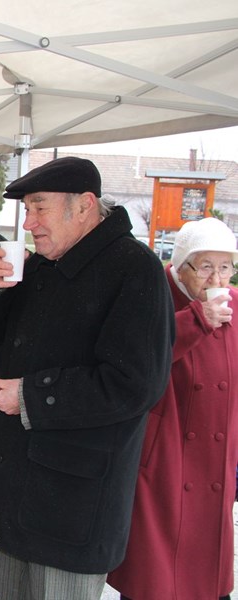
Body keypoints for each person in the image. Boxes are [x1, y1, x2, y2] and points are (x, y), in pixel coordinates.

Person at [0, 156, 175, 600]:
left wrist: (29, 396)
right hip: (22, 490)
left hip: (73, 506)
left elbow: (136, 384)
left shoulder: (134, 269)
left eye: (39, 207)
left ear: (83, 205)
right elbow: (1, 336)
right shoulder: (46, 263)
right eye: (27, 209)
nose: (30, 223)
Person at [107, 217, 238, 600]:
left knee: (206, 574)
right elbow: (138, 358)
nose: (217, 278)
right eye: (206, 266)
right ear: (180, 266)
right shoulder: (155, 296)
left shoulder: (233, 304)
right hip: (163, 464)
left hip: (216, 462)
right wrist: (197, 321)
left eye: (226, 266)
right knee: (156, 579)